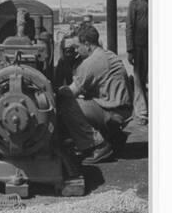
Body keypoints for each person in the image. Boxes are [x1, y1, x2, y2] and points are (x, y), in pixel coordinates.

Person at [57, 25, 133, 164]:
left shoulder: (92, 62)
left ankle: (98, 146)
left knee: (66, 105)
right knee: (81, 100)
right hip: (120, 109)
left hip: (114, 112)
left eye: (77, 46)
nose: (76, 51)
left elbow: (70, 93)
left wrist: (52, 91)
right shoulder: (106, 54)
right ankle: (113, 136)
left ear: (87, 44)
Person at [126, 0, 149, 125]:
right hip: (140, 48)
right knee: (139, 80)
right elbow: (129, 27)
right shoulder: (134, 4)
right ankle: (142, 113)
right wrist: (130, 50)